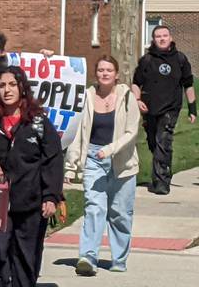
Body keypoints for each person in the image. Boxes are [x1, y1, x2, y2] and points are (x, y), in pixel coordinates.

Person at [65, 56, 140, 276]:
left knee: (120, 213)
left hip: (123, 162)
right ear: (96, 74)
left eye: (109, 70)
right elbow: (78, 133)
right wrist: (72, 165)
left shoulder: (127, 97)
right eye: (100, 70)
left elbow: (132, 132)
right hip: (93, 159)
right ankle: (88, 256)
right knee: (94, 208)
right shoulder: (86, 97)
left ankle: (119, 258)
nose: (104, 73)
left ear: (116, 74)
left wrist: (110, 149)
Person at [0, 66, 63, 287]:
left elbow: (53, 160)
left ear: (22, 87)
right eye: (1, 85)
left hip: (31, 203)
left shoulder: (38, 122)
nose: (7, 90)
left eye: (12, 84)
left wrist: (51, 196)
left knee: (26, 257)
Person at [132, 25, 196, 195]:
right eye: (158, 36)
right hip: (149, 109)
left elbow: (188, 85)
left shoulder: (180, 59)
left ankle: (161, 182)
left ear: (171, 38)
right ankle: (163, 169)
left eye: (165, 35)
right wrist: (137, 100)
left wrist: (192, 109)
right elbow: (136, 83)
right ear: (153, 39)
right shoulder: (146, 60)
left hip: (171, 108)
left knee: (163, 140)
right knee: (154, 143)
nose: (162, 38)